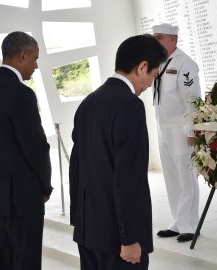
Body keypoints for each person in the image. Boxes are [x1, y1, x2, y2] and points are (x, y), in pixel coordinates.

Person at [69, 34, 167, 270]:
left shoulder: (88, 102)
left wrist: (80, 222)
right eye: (154, 75)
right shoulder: (129, 106)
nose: (150, 84)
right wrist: (130, 238)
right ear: (142, 67)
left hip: (88, 232)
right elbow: (128, 178)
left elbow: (76, 168)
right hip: (117, 239)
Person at [0, 31, 53, 270]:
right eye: (35, 59)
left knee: (7, 261)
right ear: (22, 55)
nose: (36, 66)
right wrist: (45, 185)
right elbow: (36, 147)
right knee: (26, 262)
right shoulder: (22, 94)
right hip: (22, 194)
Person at [152, 23, 201, 242]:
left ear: (173, 39)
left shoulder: (185, 63)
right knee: (171, 177)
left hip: (181, 130)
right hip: (164, 128)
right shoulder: (159, 63)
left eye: (159, 37)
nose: (155, 41)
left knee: (186, 177)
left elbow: (192, 99)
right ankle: (177, 220)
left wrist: (192, 129)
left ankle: (189, 224)